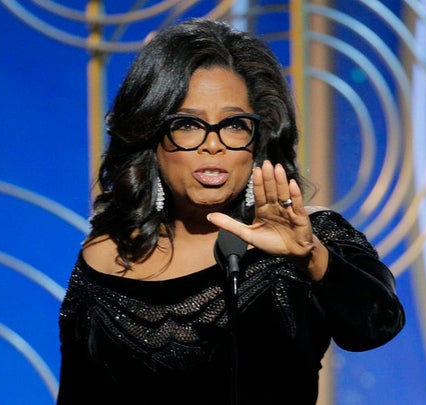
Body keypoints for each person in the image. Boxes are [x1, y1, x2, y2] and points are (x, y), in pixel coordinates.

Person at [57, 18, 404, 405]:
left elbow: (377, 325)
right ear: (151, 139)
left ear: (258, 141)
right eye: (187, 124)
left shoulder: (310, 236)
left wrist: (311, 257)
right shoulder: (108, 253)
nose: (213, 145)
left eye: (234, 125)